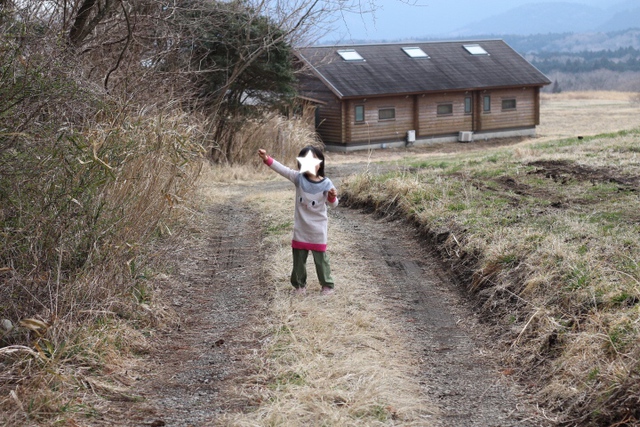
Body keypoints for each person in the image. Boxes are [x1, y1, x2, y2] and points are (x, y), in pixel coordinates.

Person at [258, 146, 339, 295]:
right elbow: (283, 169)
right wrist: (266, 159)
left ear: (320, 163)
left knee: (321, 260)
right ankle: (300, 286)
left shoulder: (327, 183)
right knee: (298, 261)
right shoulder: (298, 178)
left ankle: (327, 285)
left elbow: (334, 205)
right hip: (301, 228)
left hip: (318, 229)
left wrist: (332, 196)